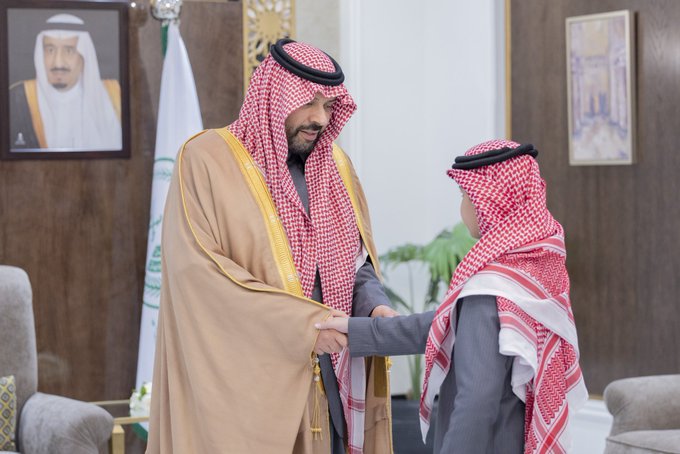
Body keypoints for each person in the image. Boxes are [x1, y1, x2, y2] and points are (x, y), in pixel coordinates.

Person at [147, 39, 397, 453]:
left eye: (329, 105)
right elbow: (201, 277)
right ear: (274, 96)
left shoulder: (336, 167)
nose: (320, 118)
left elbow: (353, 263)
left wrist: (374, 306)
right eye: (308, 102)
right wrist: (303, 326)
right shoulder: (206, 161)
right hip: (249, 391)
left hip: (332, 378)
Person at [317, 140, 588, 453]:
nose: (462, 207)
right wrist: (355, 330)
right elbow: (447, 323)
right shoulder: (533, 268)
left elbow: (476, 401)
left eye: (464, 195)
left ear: (486, 201)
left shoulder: (490, 289)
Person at [8, 13, 121, 150]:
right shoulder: (17, 98)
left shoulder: (114, 96)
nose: (58, 62)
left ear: (84, 55)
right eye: (50, 50)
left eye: (69, 50)